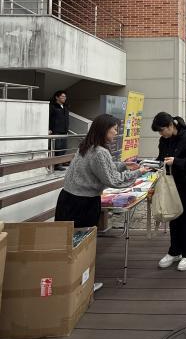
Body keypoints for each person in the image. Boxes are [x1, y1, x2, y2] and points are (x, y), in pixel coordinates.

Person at [55, 114, 148, 292]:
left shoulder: (86, 146)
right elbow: (113, 180)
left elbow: (103, 169)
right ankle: (83, 287)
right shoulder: (100, 152)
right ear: (104, 129)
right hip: (83, 203)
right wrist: (139, 172)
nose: (116, 132)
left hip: (67, 199)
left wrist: (124, 165)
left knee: (68, 245)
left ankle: (66, 283)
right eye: (114, 129)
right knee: (83, 246)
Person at [152, 113, 186, 271]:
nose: (161, 134)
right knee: (174, 215)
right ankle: (175, 251)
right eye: (159, 132)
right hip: (173, 182)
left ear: (170, 125)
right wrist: (150, 165)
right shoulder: (164, 140)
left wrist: (176, 161)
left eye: (162, 130)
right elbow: (161, 158)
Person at [49, 90, 70, 170]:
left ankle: (61, 162)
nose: (64, 98)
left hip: (64, 131)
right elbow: (49, 118)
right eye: (62, 96)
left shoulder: (65, 107)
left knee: (63, 147)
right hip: (56, 131)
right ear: (57, 97)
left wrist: (67, 129)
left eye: (65, 97)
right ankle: (57, 165)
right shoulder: (53, 107)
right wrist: (49, 129)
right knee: (57, 148)